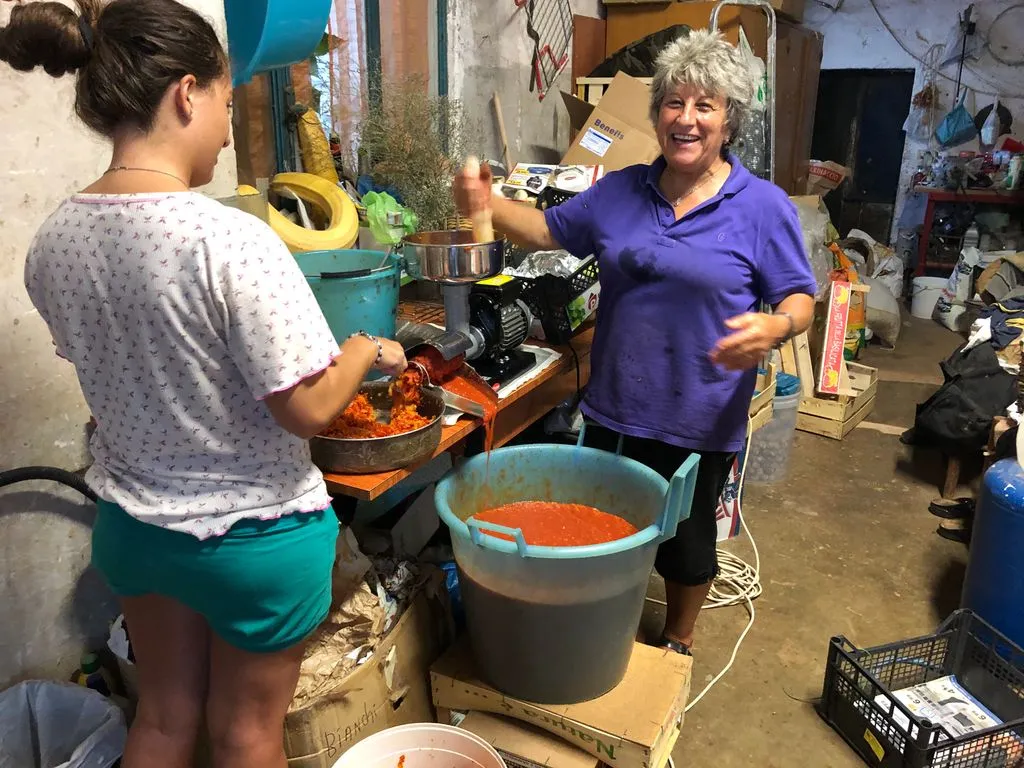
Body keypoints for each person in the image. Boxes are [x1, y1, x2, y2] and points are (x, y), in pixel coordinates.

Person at [3, 1, 407, 766]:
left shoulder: (52, 238)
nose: (227, 128)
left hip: (137, 531)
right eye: (226, 101)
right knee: (246, 734)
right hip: (255, 540)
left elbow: (119, 373)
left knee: (159, 720)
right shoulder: (231, 239)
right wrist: (363, 349)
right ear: (187, 93)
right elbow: (312, 409)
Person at [455, 30, 816, 656]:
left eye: (705, 106)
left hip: (701, 412)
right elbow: (545, 230)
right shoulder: (622, 189)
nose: (687, 119)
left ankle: (677, 640)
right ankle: (603, 624)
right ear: (657, 116)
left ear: (729, 119)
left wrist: (776, 326)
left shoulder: (762, 208)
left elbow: (799, 298)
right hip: (616, 403)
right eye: (674, 103)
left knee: (688, 539)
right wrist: (487, 201)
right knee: (603, 524)